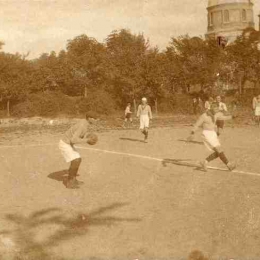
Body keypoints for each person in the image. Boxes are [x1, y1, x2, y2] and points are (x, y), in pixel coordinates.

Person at [187, 102, 236, 172]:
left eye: (217, 108)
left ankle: (204, 162)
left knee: (219, 151)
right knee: (219, 150)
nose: (216, 109)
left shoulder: (216, 114)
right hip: (206, 134)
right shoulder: (204, 115)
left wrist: (232, 117)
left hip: (213, 134)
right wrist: (192, 132)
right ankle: (229, 165)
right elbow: (197, 124)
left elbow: (223, 117)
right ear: (211, 108)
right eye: (215, 108)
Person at [59, 113, 98, 189]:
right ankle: (70, 183)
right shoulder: (82, 125)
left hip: (68, 143)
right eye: (94, 118)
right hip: (65, 143)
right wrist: (87, 140)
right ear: (89, 118)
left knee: (78, 159)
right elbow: (73, 140)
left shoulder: (84, 123)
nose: (95, 120)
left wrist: (87, 136)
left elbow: (79, 135)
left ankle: (73, 179)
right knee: (76, 160)